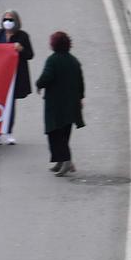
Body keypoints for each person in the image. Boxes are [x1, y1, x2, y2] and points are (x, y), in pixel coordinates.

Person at [38, 30, 86, 175]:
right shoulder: (74, 61)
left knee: (55, 134)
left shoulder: (52, 60)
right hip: (71, 105)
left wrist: (39, 84)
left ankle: (66, 161)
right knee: (65, 134)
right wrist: (80, 98)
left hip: (55, 105)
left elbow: (46, 77)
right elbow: (80, 82)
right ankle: (61, 161)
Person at [0, 10, 35, 146]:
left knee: (10, 104)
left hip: (15, 75)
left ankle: (8, 133)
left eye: (10, 20)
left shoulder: (23, 36)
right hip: (0, 74)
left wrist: (21, 50)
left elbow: (30, 55)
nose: (7, 22)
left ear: (16, 22)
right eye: (5, 19)